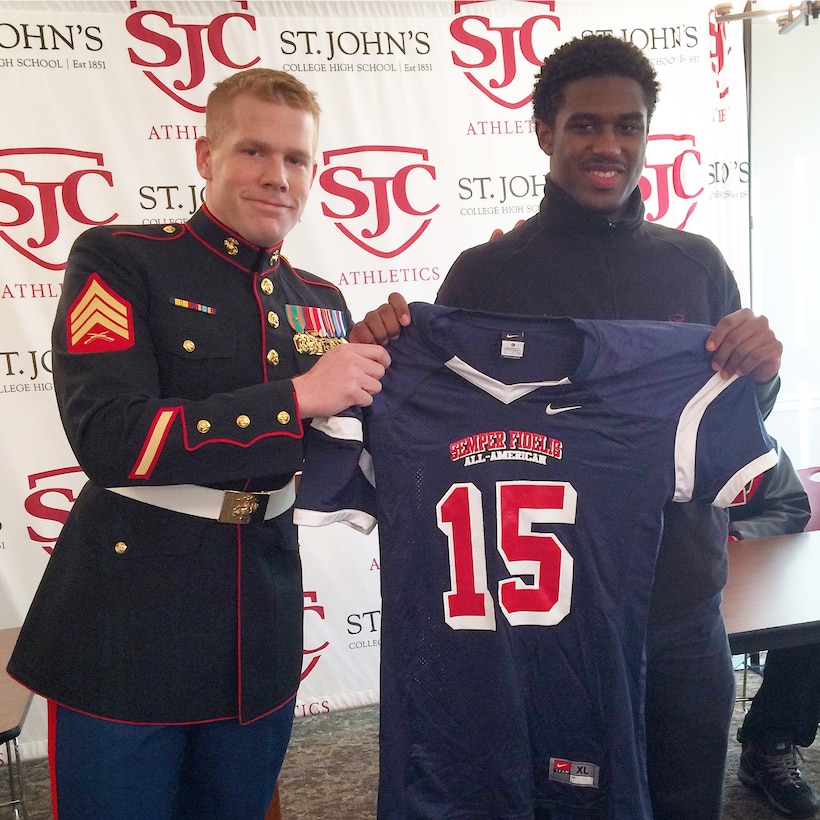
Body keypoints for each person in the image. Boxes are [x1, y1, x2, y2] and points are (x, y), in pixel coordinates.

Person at [350, 34, 783, 820]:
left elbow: (731, 425)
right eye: (586, 125)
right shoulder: (485, 274)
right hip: (542, 624)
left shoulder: (697, 263)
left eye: (628, 126)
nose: (608, 145)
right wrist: (382, 351)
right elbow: (443, 445)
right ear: (544, 132)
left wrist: (762, 371)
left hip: (677, 611)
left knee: (687, 804)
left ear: (648, 135)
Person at [7, 68, 390, 820]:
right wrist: (297, 398)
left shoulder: (322, 301)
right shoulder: (122, 259)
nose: (277, 177)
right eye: (253, 151)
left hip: (261, 619)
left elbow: (341, 449)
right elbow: (109, 437)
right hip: (128, 621)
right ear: (204, 155)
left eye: (297, 159)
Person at [729, 445, 820, 819]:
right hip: (666, 576)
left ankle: (771, 741)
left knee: (811, 622)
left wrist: (735, 536)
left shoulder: (759, 443)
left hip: (752, 568)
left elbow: (792, 507)